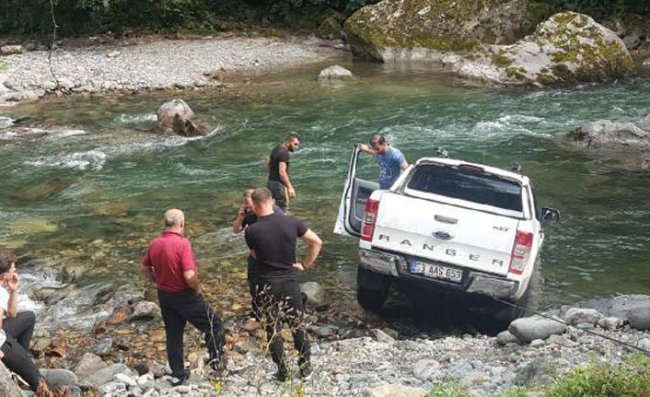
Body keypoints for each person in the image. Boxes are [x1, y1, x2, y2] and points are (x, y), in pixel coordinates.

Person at [244, 188, 322, 382]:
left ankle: (282, 370)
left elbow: (255, 255)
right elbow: (316, 242)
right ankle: (305, 367)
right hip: (289, 281)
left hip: (266, 284)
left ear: (253, 205)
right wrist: (304, 264)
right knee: (297, 324)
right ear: (272, 201)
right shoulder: (291, 221)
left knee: (272, 327)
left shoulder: (251, 231)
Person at [141, 209, 226, 385]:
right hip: (185, 295)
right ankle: (217, 366)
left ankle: (178, 374)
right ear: (182, 223)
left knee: (173, 333)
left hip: (165, 295)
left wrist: (156, 281)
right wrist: (197, 288)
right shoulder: (183, 243)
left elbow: (144, 268)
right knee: (214, 325)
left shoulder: (155, 243)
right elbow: (188, 275)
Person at [0, 251, 68, 397]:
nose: (15, 271)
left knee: (29, 316)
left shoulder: (2, 291)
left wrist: (13, 291)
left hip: (3, 332)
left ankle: (19, 361)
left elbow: (12, 314)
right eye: (13, 268)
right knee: (36, 378)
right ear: (5, 274)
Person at [232, 189, 284, 318]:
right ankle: (258, 313)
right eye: (246, 206)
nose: (249, 209)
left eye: (250, 206)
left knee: (276, 285)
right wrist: (241, 216)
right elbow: (236, 230)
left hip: (272, 254)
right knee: (253, 282)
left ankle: (294, 301)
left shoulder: (274, 212)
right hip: (255, 255)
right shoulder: (247, 213)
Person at [267, 132, 301, 211]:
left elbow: (268, 162)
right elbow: (282, 172)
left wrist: (272, 175)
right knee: (282, 208)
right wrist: (290, 187)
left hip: (271, 182)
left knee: (272, 207)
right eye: (295, 144)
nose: (297, 147)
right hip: (278, 185)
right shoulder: (284, 153)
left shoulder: (276, 149)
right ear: (288, 142)